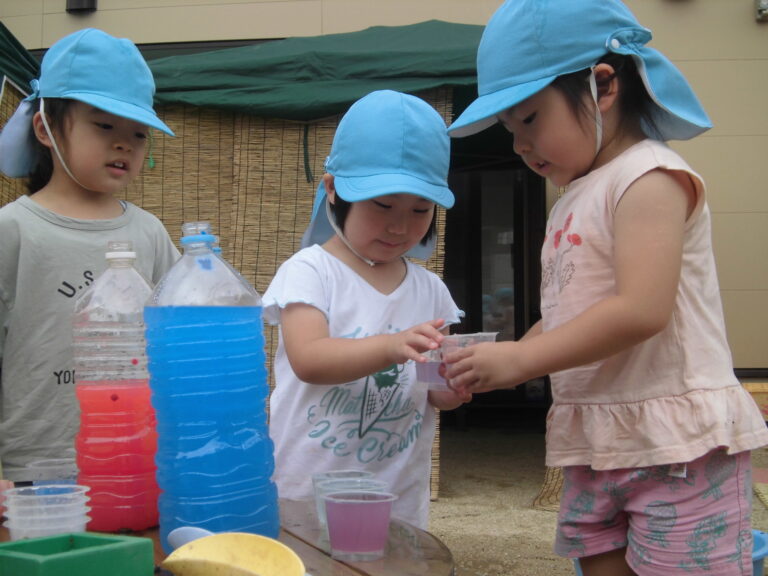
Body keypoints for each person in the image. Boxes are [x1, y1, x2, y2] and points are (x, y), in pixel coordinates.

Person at [445, 1, 768, 574]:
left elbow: (642, 310)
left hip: (677, 445)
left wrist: (523, 360)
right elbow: (573, 312)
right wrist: (500, 355)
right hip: (597, 438)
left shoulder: (648, 178)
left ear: (602, 85)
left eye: (529, 118)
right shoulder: (575, 196)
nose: (519, 144)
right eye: (508, 128)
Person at [262, 90, 470, 529]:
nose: (400, 225)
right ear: (334, 189)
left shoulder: (430, 289)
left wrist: (453, 387)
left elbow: (433, 390)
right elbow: (310, 360)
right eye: (382, 205)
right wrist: (392, 346)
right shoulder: (311, 271)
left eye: (420, 209)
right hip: (308, 492)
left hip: (395, 497)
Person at [0, 28, 179, 483]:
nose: (123, 144)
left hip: (132, 459)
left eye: (138, 134)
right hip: (34, 469)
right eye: (104, 125)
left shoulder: (149, 233)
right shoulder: (14, 230)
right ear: (45, 127)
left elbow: (177, 339)